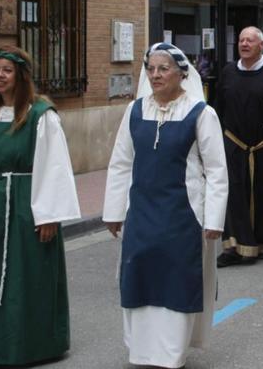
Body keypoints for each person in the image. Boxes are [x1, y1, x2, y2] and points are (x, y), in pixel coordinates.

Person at [103, 43, 228, 369]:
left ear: (181, 74)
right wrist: (114, 211)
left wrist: (213, 219)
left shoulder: (200, 113)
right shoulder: (134, 111)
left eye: (164, 68)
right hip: (142, 209)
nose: (156, 75)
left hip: (182, 212)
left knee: (176, 276)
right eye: (151, 68)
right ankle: (141, 350)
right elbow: (120, 163)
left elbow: (216, 170)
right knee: (140, 273)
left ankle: (172, 353)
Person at [0, 46, 81, 368]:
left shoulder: (40, 115)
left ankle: (29, 346)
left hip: (28, 204)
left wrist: (49, 215)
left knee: (26, 276)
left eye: (6, 70)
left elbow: (54, 166)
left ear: (21, 75)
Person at [217, 26, 263, 267]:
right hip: (234, 144)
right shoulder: (228, 72)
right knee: (233, 195)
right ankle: (234, 247)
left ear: (261, 46)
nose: (244, 44)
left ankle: (262, 243)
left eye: (250, 40)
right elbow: (217, 107)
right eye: (241, 40)